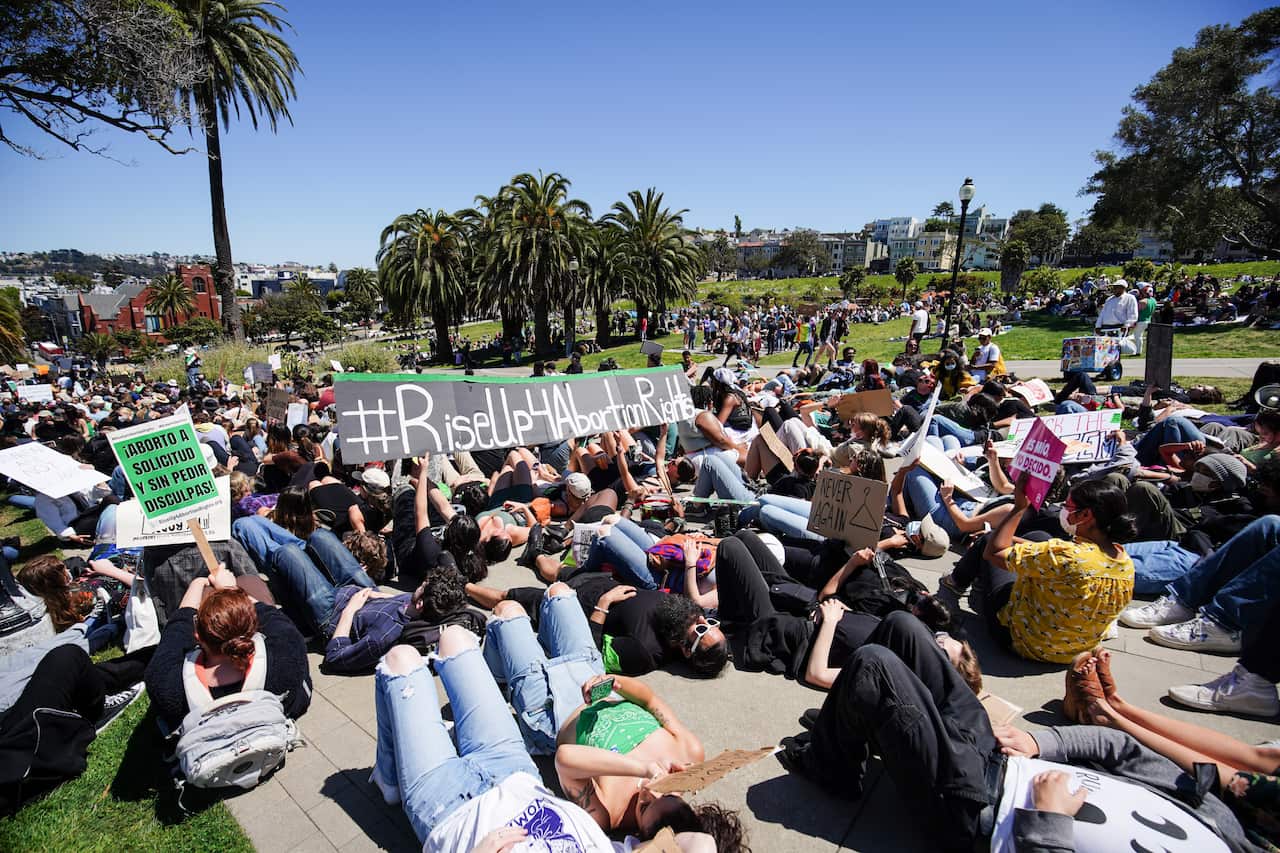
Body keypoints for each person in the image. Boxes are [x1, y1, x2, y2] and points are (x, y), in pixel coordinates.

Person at [778, 612, 1256, 852]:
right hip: (1007, 757)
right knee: (903, 628)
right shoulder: (1222, 820)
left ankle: (831, 766)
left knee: (873, 666)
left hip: (980, 812)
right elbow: (1122, 750)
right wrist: (1042, 740)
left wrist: (1048, 824)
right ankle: (848, 726)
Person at [368, 631, 719, 852]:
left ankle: (390, 775)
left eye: (645, 807)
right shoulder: (618, 847)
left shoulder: (606, 818)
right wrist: (647, 770)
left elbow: (566, 758)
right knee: (456, 638)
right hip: (514, 772)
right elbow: (700, 845)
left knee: (401, 659)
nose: (649, 794)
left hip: (449, 810)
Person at [971, 478, 1136, 663]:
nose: (1063, 510)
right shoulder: (1126, 563)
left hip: (1024, 642)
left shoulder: (1066, 555)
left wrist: (1019, 508)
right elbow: (1054, 556)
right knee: (1039, 536)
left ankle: (955, 582)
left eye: (1067, 506)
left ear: (1085, 514)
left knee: (989, 540)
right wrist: (1014, 540)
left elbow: (994, 552)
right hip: (1076, 651)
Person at [144, 574, 311, 732]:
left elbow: (176, 631)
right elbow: (273, 617)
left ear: (197, 636)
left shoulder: (166, 684)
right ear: (253, 626)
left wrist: (197, 583)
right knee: (250, 581)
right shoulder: (286, 655)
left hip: (205, 743)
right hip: (275, 719)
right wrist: (231, 589)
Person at [1119, 514, 1280, 655]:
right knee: (1270, 522)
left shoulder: (1244, 501)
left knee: (1111, 570)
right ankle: (1181, 603)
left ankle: (1224, 623)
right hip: (1188, 542)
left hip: (1200, 557)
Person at [1134, 283, 1157, 355]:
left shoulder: (1142, 301)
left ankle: (1138, 352)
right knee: (1143, 336)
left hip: (1141, 320)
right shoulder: (1153, 300)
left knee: (1138, 336)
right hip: (1148, 320)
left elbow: (1136, 311)